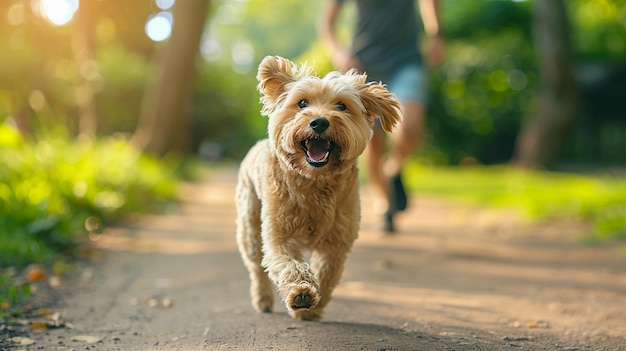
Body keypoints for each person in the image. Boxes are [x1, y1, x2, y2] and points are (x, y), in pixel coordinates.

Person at [319, 0, 444, 233]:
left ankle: (393, 167)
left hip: (406, 61)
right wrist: (339, 53)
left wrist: (436, 34)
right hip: (364, 65)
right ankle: (384, 202)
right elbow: (327, 24)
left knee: (409, 129)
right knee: (372, 142)